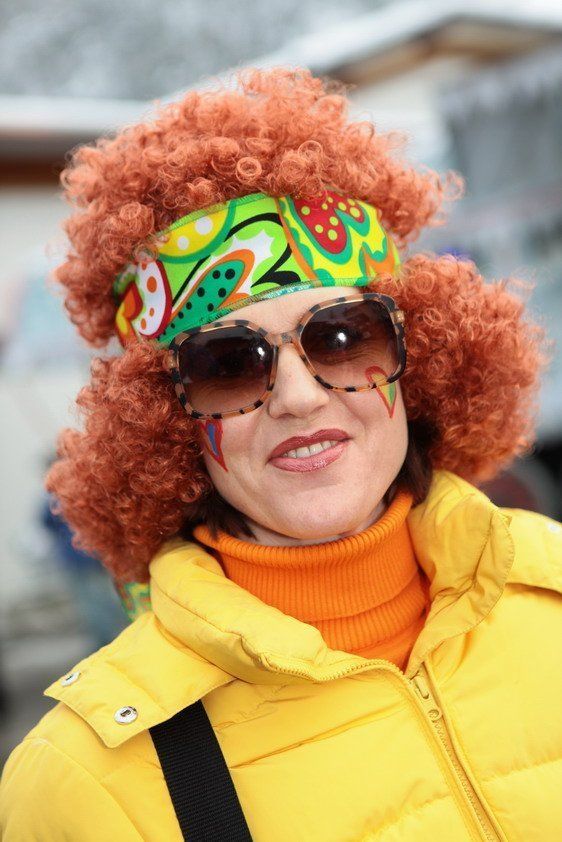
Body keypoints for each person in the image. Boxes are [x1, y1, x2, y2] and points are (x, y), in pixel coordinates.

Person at [1, 67, 561, 841]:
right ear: (165, 414)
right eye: (228, 364)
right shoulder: (83, 784)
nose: (299, 396)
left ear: (418, 353)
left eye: (344, 337)